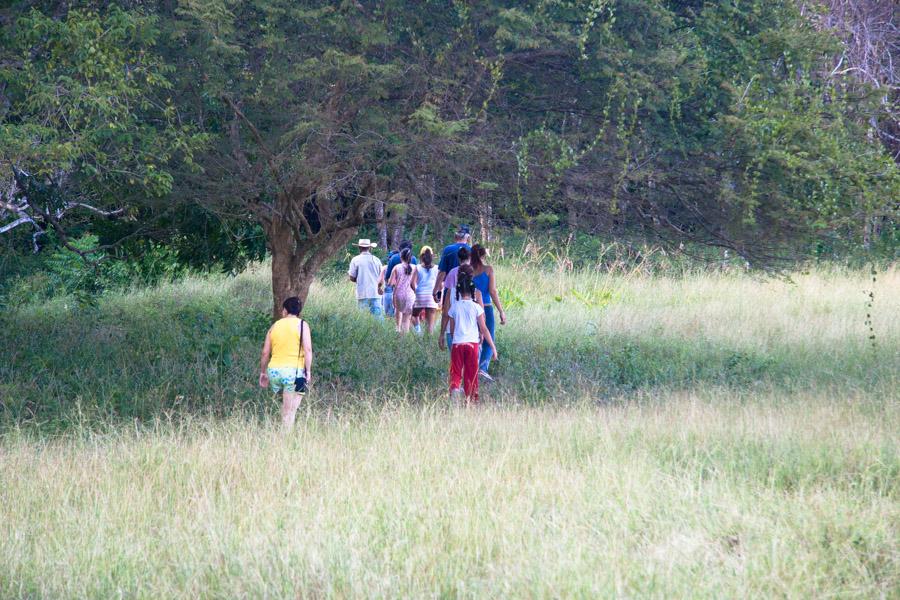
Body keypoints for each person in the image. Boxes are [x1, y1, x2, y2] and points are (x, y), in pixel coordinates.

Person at [258, 297, 313, 429]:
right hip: (294, 373)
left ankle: (283, 429)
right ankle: (284, 438)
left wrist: (263, 372)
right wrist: (308, 371)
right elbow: (308, 349)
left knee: (289, 406)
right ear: (298, 313)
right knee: (290, 411)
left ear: (284, 311)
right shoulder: (302, 325)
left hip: (274, 372)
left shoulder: (274, 326)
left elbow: (265, 352)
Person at [445, 269, 497, 405]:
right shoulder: (476, 308)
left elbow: (451, 330)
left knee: (456, 372)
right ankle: (471, 401)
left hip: (457, 344)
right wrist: (493, 348)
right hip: (472, 344)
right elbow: (484, 329)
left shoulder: (454, 307)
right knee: (471, 375)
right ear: (473, 291)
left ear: (459, 291)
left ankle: (455, 390)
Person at [470, 244, 506, 380]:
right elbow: (492, 291)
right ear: (484, 255)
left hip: (470, 308)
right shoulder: (488, 270)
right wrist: (501, 311)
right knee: (489, 337)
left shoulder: (468, 271)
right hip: (486, 307)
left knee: (474, 338)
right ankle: (483, 368)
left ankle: (472, 368)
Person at [438, 248, 482, 352]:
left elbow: (445, 314)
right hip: (472, 335)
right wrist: (481, 332)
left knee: (456, 366)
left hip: (452, 333)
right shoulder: (476, 291)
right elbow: (481, 315)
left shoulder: (451, 290)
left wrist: (441, 334)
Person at [432, 225, 471, 302]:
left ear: (456, 235)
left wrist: (435, 291)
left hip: (450, 291)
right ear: (468, 237)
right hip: (467, 291)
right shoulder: (472, 250)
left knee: (448, 313)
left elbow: (442, 273)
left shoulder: (448, 250)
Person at [348, 238, 383, 319]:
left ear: (359, 248)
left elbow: (352, 277)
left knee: (363, 318)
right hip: (375, 293)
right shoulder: (376, 259)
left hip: (362, 293)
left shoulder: (355, 260)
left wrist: (359, 279)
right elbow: (381, 278)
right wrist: (379, 287)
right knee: (378, 319)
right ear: (370, 248)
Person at [383, 240, 417, 318]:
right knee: (407, 316)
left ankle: (396, 327)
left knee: (395, 313)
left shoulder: (394, 258)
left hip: (396, 289)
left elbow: (387, 276)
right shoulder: (414, 259)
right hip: (409, 290)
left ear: (400, 249)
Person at [387, 247, 417, 333]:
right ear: (410, 257)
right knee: (407, 317)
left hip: (398, 294)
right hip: (411, 295)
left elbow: (391, 283)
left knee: (398, 312)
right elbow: (416, 282)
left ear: (401, 257)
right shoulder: (415, 268)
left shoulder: (397, 267)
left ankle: (398, 330)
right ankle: (405, 336)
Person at [412, 246, 440, 333]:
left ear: (421, 257)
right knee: (430, 326)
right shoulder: (437, 268)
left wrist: (416, 292)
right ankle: (428, 341)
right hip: (432, 296)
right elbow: (439, 284)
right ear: (432, 256)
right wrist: (438, 296)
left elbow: (412, 283)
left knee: (414, 315)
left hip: (420, 295)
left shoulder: (417, 267)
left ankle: (418, 332)